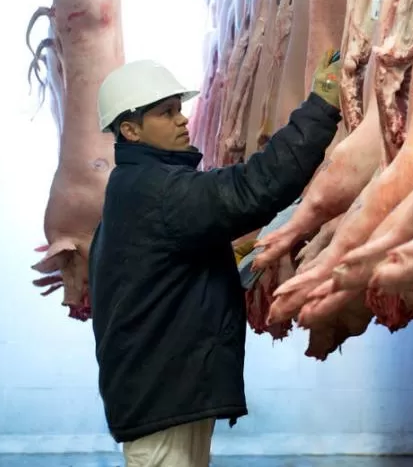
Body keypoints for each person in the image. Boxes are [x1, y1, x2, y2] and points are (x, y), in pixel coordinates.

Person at [89, 53, 342, 467]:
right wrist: (322, 105)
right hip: (161, 401)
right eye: (165, 112)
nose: (181, 120)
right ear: (130, 130)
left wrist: (224, 263)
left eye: (179, 108)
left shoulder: (135, 188)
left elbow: (164, 278)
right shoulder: (157, 190)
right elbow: (254, 188)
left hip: (164, 396)